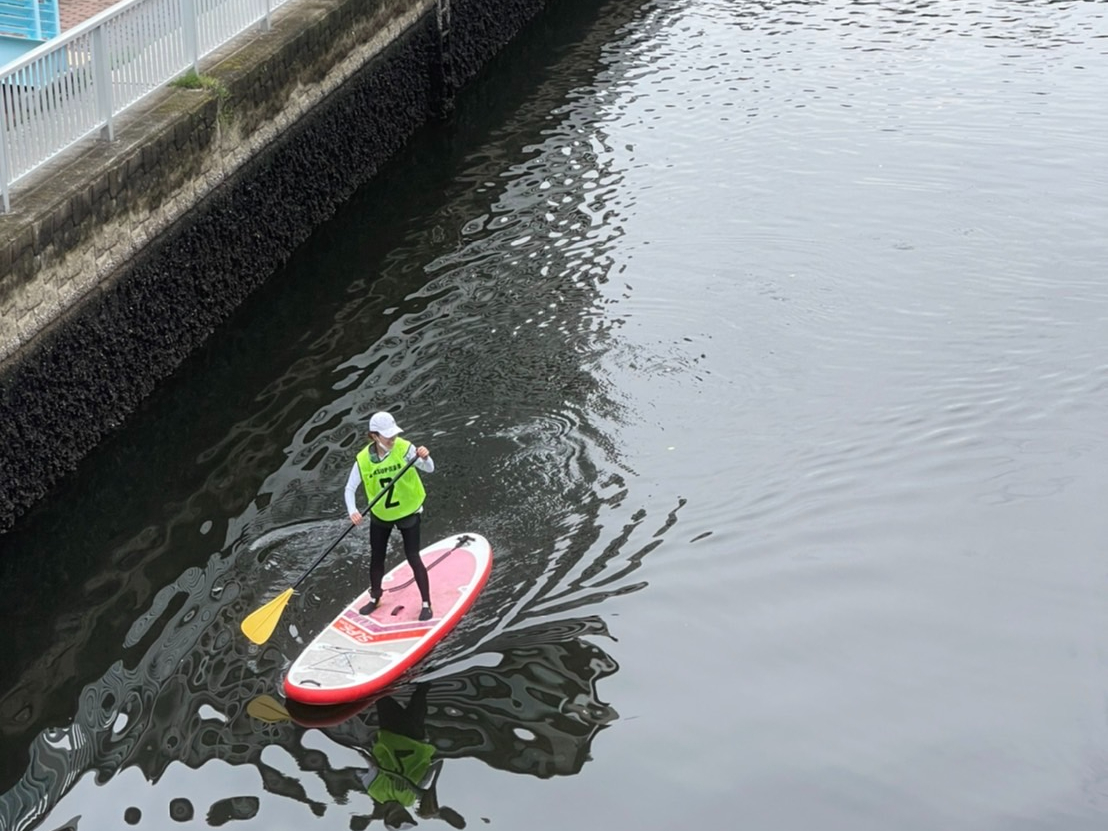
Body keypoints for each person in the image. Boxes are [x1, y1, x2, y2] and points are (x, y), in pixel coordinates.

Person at [344, 411, 435, 621]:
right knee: (377, 557)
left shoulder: (405, 448)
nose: (393, 440)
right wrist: (353, 511)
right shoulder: (363, 460)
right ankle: (375, 597)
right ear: (375, 436)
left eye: (394, 436)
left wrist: (425, 457)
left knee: (413, 556)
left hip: (408, 511)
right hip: (381, 514)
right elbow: (349, 489)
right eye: (388, 437)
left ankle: (426, 603)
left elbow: (430, 469)